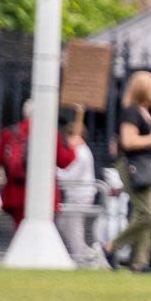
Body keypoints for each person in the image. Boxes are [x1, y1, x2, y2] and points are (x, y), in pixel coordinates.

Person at [111, 73, 151, 270]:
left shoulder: (145, 113)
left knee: (148, 216)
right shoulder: (131, 112)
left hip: (147, 167)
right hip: (134, 167)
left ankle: (140, 262)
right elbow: (128, 141)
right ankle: (111, 247)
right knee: (146, 214)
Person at [53, 110, 98, 264]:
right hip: (76, 195)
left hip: (80, 196)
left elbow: (70, 176)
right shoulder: (79, 151)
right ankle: (85, 253)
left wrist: (53, 171)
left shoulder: (81, 152)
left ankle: (83, 257)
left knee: (74, 229)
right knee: (64, 225)